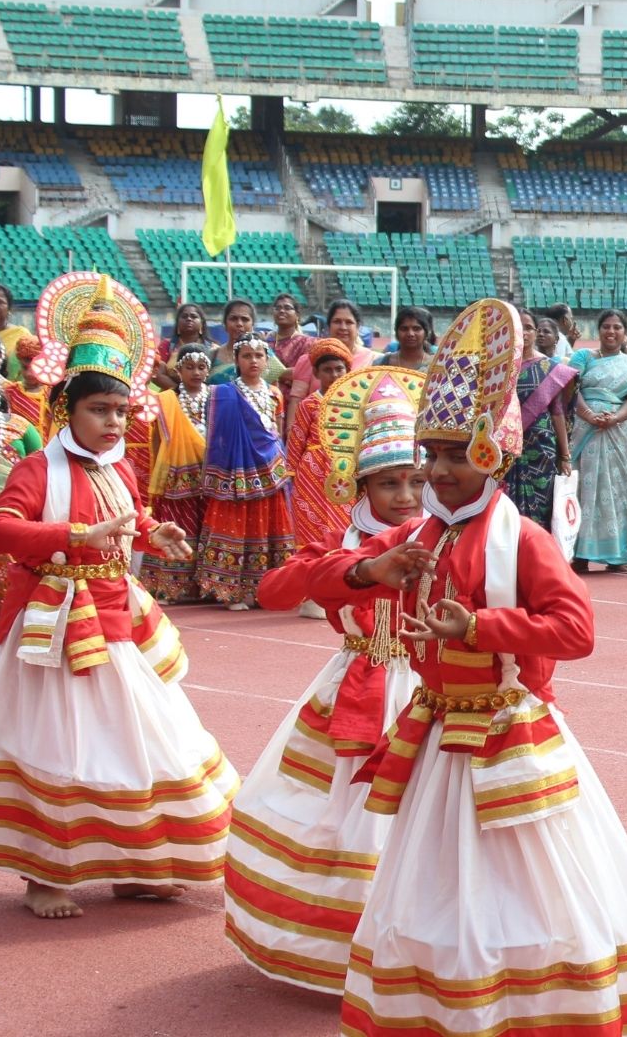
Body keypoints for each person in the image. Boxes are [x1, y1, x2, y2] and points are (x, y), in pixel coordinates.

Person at [304, 298, 627, 1037]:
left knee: (528, 882)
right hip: (437, 736)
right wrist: (368, 571)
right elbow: (311, 579)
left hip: (511, 734)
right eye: (432, 456)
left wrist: (479, 626)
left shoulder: (526, 540)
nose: (439, 472)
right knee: (439, 881)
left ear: (495, 458)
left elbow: (576, 630)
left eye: (455, 456)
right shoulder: (421, 534)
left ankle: (530, 1012)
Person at [0, 271, 232, 920]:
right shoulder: (39, 469)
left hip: (115, 623)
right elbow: (1, 531)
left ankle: (131, 864)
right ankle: (46, 875)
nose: (114, 422)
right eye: (99, 410)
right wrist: (76, 536)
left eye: (121, 411)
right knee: (57, 748)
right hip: (52, 635)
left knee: (132, 737)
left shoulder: (117, 463)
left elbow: (128, 512)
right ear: (66, 409)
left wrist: (154, 529)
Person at [224, 365, 428, 993]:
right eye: (389, 483)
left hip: (423, 690)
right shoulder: (342, 543)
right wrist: (363, 568)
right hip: (355, 684)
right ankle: (340, 948)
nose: (404, 496)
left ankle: (409, 951)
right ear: (359, 487)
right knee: (338, 817)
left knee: (418, 818)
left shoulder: (442, 536)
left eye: (415, 482)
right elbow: (273, 590)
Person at [198, 333, 295, 611]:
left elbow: (277, 431)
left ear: (267, 361)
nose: (253, 361)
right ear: (237, 360)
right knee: (238, 525)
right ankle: (235, 591)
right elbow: (216, 438)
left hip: (272, 469)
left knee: (269, 527)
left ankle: (268, 590)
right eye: (247, 356)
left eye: (258, 355)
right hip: (236, 472)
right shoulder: (222, 394)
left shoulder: (275, 393)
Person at [569, 308, 627, 572]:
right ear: (598, 330)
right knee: (582, 487)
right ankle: (579, 554)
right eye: (606, 326)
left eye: (617, 327)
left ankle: (615, 555)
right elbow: (570, 389)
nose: (611, 331)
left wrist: (614, 418)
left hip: (617, 430)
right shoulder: (583, 356)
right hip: (584, 428)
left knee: (615, 490)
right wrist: (590, 415)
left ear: (626, 333)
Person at [0, 363, 43, 664]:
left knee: (14, 579)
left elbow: (41, 470)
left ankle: (12, 638)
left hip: (12, 523)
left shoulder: (20, 428)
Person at [139, 346, 211, 604]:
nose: (196, 372)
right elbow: (158, 439)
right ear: (177, 371)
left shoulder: (215, 398)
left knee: (205, 529)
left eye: (201, 367)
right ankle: (167, 588)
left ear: (208, 370)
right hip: (176, 475)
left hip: (208, 474)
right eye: (189, 367)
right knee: (177, 526)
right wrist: (162, 472)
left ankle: (202, 587)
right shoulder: (166, 400)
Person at [504, 309, 575, 527]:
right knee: (505, 509)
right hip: (505, 448)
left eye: (528, 328)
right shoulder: (498, 368)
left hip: (541, 448)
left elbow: (557, 412)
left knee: (543, 505)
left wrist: (564, 455)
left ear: (535, 333)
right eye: (518, 328)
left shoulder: (550, 368)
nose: (523, 333)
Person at [285, 340, 355, 556]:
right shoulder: (308, 404)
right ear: (316, 372)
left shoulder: (355, 403)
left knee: (345, 519)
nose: (333, 375)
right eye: (327, 370)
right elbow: (296, 439)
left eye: (339, 369)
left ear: (348, 371)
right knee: (311, 524)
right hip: (311, 474)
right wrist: (292, 473)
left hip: (345, 470)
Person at [284, 299, 376, 431]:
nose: (343, 327)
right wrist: (292, 437)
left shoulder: (371, 359)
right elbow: (296, 402)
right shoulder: (310, 359)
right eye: (337, 321)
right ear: (329, 326)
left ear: (358, 327)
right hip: (315, 434)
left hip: (355, 435)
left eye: (349, 322)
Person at [5, 334, 52, 439]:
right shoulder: (10, 392)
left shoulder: (52, 392)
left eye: (35, 368)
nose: (29, 374)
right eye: (25, 368)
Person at [373, 305, 436, 372]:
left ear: (426, 332)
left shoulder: (436, 367)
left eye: (416, 329)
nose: (410, 334)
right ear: (396, 332)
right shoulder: (381, 363)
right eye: (404, 329)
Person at [267, 292, 313, 373]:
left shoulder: (306, 343)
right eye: (278, 308)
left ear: (297, 315)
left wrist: (273, 373)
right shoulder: (265, 340)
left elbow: (305, 372)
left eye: (287, 308)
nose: (281, 311)